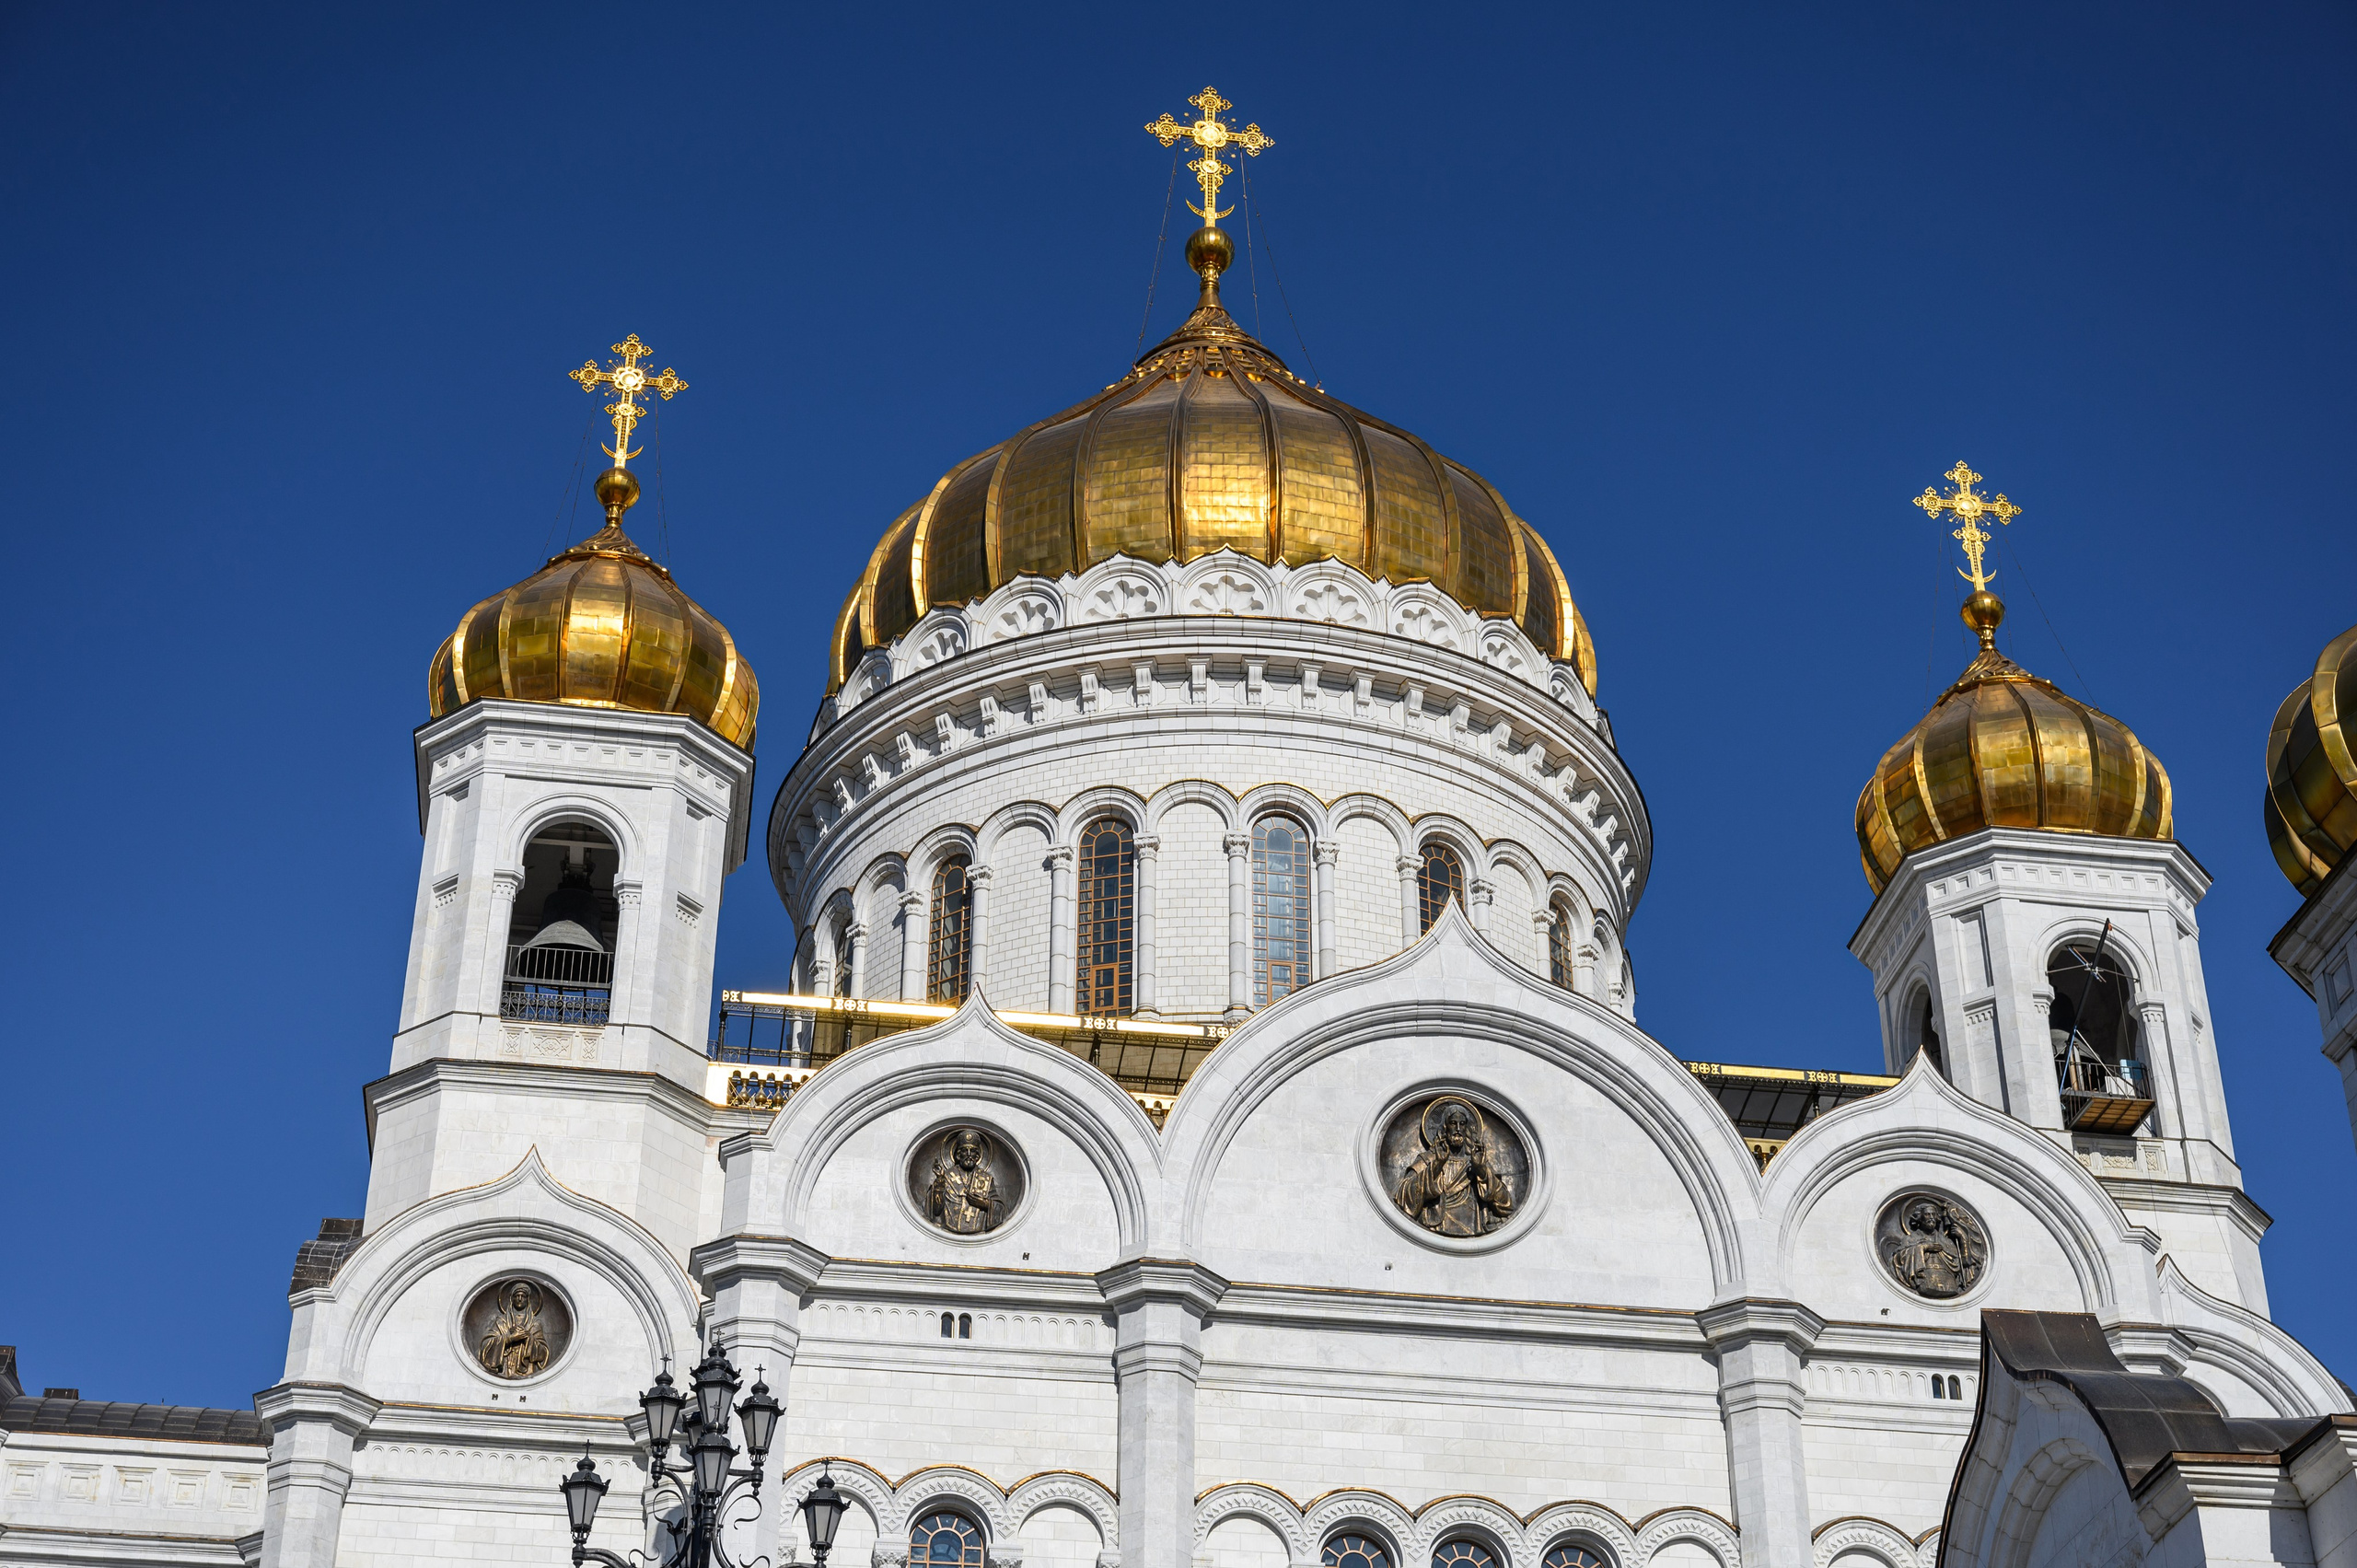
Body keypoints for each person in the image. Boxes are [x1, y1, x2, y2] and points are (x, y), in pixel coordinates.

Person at [1393, 1100, 1514, 1237]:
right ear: (1445, 1126)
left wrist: (1481, 1170)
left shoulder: (1477, 1161)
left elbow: (1505, 1204)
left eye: (1462, 1124)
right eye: (1453, 1123)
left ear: (1466, 1128)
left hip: (1472, 1226)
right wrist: (1437, 1164)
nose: (1457, 1128)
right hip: (1436, 1225)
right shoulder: (1428, 1159)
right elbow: (1404, 1197)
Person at [927, 1129, 1000, 1235]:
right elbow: (936, 1210)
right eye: (965, 1150)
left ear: (977, 1156)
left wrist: (985, 1204)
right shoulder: (946, 1177)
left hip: (978, 1233)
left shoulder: (986, 1179)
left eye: (973, 1151)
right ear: (958, 1155)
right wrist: (939, 1181)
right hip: (948, 1231)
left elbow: (1000, 1208)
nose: (969, 1154)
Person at [478, 1281, 551, 1378]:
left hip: (527, 1369)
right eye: (516, 1296)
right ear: (511, 1299)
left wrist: (528, 1338)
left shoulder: (534, 1323)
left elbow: (544, 1352)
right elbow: (486, 1344)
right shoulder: (501, 1321)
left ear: (528, 1300)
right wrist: (510, 1338)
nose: (519, 1299)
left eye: (523, 1296)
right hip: (504, 1366)